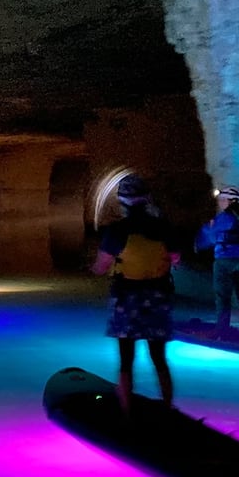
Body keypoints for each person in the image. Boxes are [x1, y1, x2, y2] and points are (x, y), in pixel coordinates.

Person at [89, 174, 177, 414]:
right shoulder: (162, 227)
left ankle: (127, 412)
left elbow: (102, 267)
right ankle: (168, 407)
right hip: (158, 297)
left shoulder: (117, 231)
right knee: (159, 357)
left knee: (126, 359)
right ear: (146, 198)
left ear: (122, 201)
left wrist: (93, 268)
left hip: (127, 298)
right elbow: (176, 259)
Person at [195, 185, 239, 338]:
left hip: (225, 259)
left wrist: (199, 244)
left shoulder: (225, 217)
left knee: (223, 296)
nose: (220, 203)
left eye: (222, 200)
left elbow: (210, 234)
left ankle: (222, 331)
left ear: (229, 200)